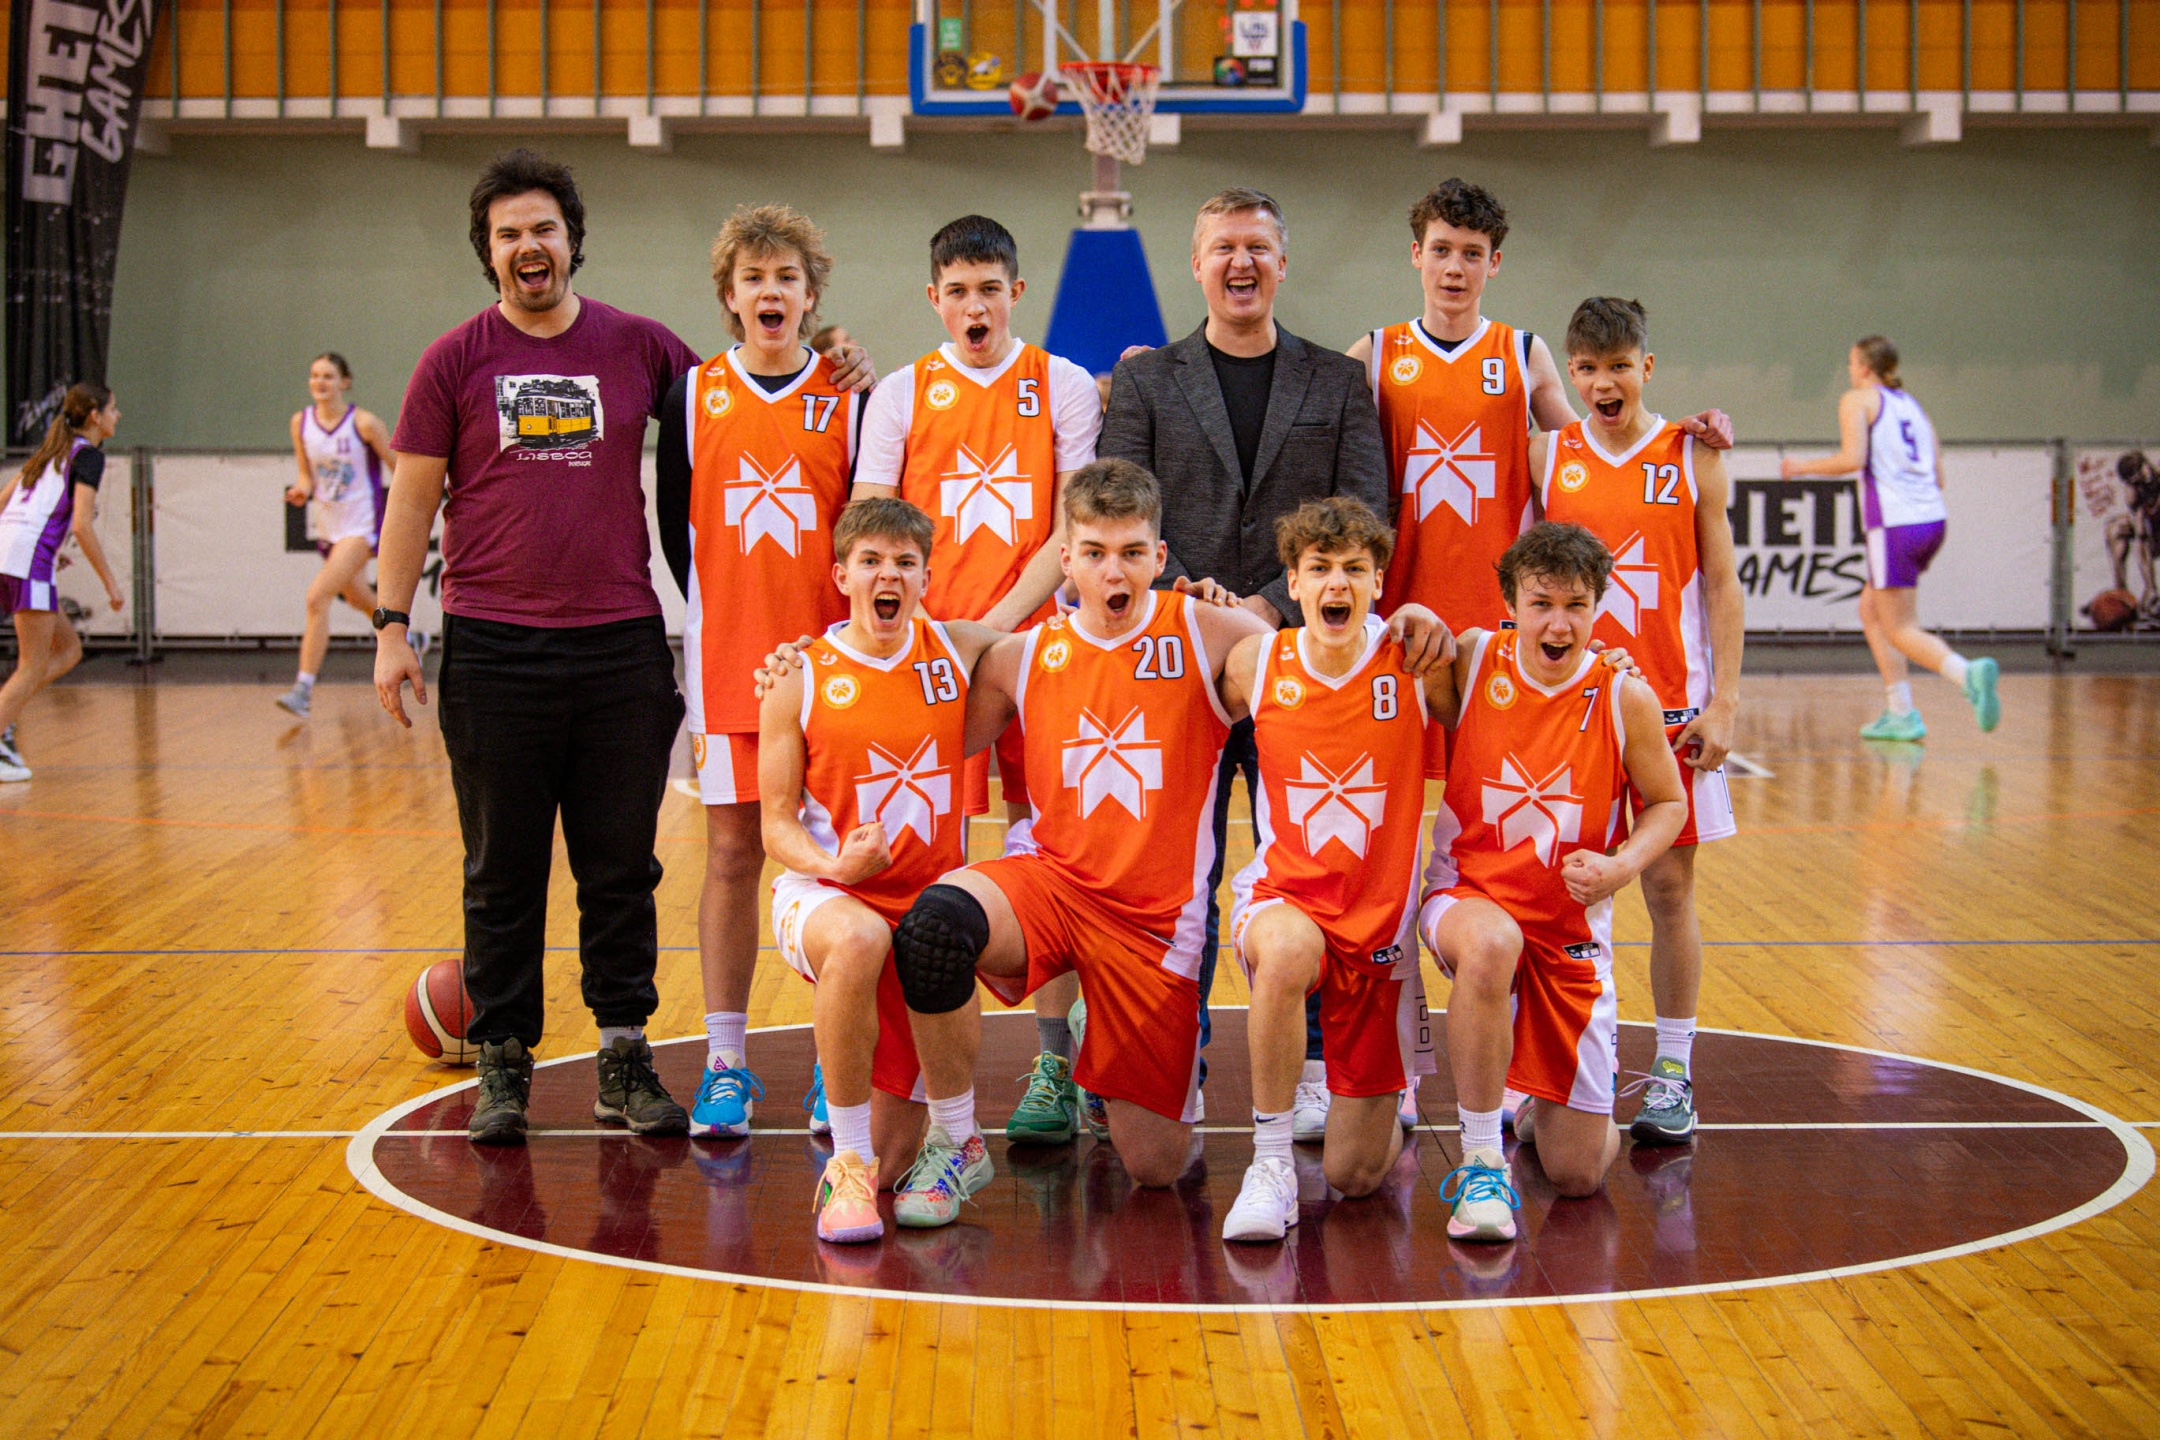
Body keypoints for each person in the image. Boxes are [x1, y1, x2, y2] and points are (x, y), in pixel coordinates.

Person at [872, 460, 1445, 1226]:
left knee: (1156, 1166)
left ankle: (1103, 1049)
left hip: (1153, 933)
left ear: (1160, 555)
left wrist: (1409, 621)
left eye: (1132, 553)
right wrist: (810, 662)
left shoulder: (1212, 635)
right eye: (1095, 553)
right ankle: (957, 1137)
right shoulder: (1022, 656)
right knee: (935, 931)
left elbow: (1324, 660)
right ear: (1065, 559)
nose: (1114, 572)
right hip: (1051, 887)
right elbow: (909, 709)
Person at [1341, 179, 1732, 1140]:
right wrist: (1131, 371)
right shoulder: (1372, 353)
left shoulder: (1525, 360)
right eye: (1441, 249)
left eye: (1472, 253)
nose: (1455, 267)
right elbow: (1298, 400)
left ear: (1494, 263)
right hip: (1412, 652)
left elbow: (1597, 435)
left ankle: (1643, 1068)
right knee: (1390, 865)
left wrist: (1693, 430)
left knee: (1588, 876)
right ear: (1417, 254)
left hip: (1530, 662)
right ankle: (1391, 1070)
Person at [370, 148, 703, 1146]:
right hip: (493, 649)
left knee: (621, 869)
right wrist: (391, 627)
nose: (528, 246)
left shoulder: (644, 348)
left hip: (620, 648)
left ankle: (624, 1056)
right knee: (501, 872)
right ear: (489, 252)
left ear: (571, 241)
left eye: (543, 229)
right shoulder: (452, 360)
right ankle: (504, 1062)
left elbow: (744, 406)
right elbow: (411, 503)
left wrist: (836, 369)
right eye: (509, 233)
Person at [1097, 187, 1394, 1124]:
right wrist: (1189, 594)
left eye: (1258, 247)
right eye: (1223, 246)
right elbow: (1118, 509)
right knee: (1171, 881)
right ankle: (1170, 1060)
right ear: (1196, 264)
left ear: (1282, 263)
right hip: (1173, 664)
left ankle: (1314, 1066)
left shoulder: (1337, 382)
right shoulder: (1147, 381)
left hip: (1302, 666)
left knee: (1309, 869)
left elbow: (1365, 515)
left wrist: (1266, 606)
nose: (1241, 262)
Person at [852, 214, 1101, 1146]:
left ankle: (1053, 1063)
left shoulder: (1061, 383)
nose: (974, 306)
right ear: (934, 299)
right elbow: (873, 526)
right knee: (922, 860)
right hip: (928, 663)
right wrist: (925, 639)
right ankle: (897, 1066)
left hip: (1038, 654)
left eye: (989, 288)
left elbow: (1073, 530)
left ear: (1015, 293)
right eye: (957, 291)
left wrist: (989, 632)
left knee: (1051, 852)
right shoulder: (901, 392)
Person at [653, 203, 874, 1141]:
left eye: (787, 277)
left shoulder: (851, 397)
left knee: (840, 865)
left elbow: (867, 534)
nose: (771, 291)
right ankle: (726, 1063)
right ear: (731, 297)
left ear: (811, 295)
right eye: (754, 278)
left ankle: (837, 1061)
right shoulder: (691, 396)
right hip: (730, 667)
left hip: (835, 675)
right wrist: (725, 622)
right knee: (734, 856)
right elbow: (676, 534)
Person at [1420, 522, 1687, 1240]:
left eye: (1575, 605)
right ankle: (1482, 1163)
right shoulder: (1474, 659)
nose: (1558, 624)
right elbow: (1391, 654)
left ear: (1599, 605)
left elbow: (1668, 802)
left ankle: (1543, 1105)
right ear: (1512, 603)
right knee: (1490, 945)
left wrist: (1621, 865)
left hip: (1569, 930)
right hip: (1468, 896)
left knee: (1578, 1174)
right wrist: (1411, 612)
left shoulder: (1624, 696)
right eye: (1541, 604)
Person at [757, 497, 1008, 1242]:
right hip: (825, 894)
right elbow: (775, 824)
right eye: (870, 561)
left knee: (897, 1163)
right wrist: (835, 863)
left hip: (923, 916)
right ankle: (847, 1165)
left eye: (904, 562)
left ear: (926, 577)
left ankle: (940, 1140)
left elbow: (1079, 646)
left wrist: (1190, 600)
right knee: (860, 937)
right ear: (842, 576)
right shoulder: (799, 674)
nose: (887, 575)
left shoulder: (961, 652)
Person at [1536, 297, 1743, 1149]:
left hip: (1676, 713)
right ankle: (1549, 1071)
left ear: (1646, 368)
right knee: (1559, 896)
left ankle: (1673, 1071)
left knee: (1668, 890)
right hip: (1573, 715)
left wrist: (1727, 700)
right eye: (1587, 368)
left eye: (1619, 365)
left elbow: (1723, 584)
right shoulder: (1548, 455)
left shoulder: (1694, 454)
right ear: (1571, 374)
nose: (1603, 382)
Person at [1221, 498, 1434, 1242]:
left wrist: (1615, 663)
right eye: (1319, 569)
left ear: (1378, 582)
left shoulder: (1416, 663)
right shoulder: (1257, 662)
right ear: (1294, 582)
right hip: (1286, 900)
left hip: (1380, 932)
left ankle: (1376, 1098)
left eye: (1353, 569)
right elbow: (1164, 701)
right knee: (1284, 952)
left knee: (1356, 1175)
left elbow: (1514, 673)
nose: (1336, 583)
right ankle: (1270, 1161)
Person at [1781, 335, 1999, 739]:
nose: (1849, 370)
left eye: (1851, 362)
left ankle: (1967, 673)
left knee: (1900, 627)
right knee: (1871, 609)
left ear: (1865, 367)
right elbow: (1939, 475)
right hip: (1932, 521)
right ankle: (1901, 711)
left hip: (1894, 525)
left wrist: (1801, 467)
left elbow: (1853, 459)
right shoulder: (1913, 407)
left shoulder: (1858, 400)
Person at [0, 383, 125, 782]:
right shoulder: (88, 457)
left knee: (68, 650)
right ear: (95, 416)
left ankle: (6, 711)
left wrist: (40, 547)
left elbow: (4, 502)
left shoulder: (49, 450)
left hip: (12, 557)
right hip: (28, 563)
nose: (118, 415)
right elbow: (82, 526)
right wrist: (111, 583)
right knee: (31, 666)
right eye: (113, 409)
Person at [277, 353, 399, 719]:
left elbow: (401, 468)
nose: (320, 382)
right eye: (315, 375)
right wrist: (300, 490)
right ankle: (407, 635)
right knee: (359, 597)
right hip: (329, 528)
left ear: (344, 382)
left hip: (361, 527)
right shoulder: (301, 423)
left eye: (328, 376)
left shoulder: (364, 424)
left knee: (317, 598)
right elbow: (306, 475)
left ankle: (303, 689)